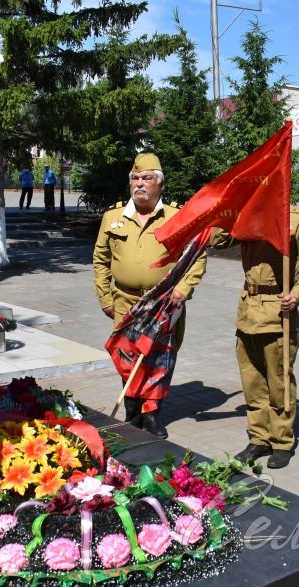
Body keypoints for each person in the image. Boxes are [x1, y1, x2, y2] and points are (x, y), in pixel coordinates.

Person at [93, 153, 207, 437]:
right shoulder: (113, 216)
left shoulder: (178, 216)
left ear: (160, 184)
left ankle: (152, 413)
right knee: (126, 355)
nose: (139, 184)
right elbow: (100, 258)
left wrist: (183, 288)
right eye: (135, 178)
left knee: (158, 359)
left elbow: (197, 255)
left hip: (164, 303)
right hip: (124, 300)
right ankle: (132, 410)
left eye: (146, 178)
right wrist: (105, 296)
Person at [211, 207, 299, 469]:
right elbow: (217, 240)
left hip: (278, 310)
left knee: (279, 382)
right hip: (248, 310)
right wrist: (233, 214)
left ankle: (282, 441)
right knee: (252, 382)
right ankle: (259, 438)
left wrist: (297, 294)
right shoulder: (248, 214)